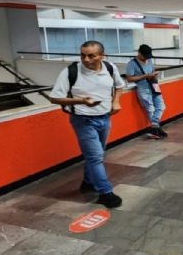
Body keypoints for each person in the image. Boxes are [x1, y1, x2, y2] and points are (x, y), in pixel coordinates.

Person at [49, 41, 125, 208]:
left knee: (97, 155)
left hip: (105, 117)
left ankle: (88, 182)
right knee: (96, 157)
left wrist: (116, 102)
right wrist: (81, 100)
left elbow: (119, 86)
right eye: (83, 55)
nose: (86, 59)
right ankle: (105, 193)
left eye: (91, 55)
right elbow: (54, 98)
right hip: (83, 120)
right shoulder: (70, 71)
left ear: (102, 56)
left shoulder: (110, 68)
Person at [125, 44, 167, 139]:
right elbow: (129, 79)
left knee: (161, 106)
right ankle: (156, 129)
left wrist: (153, 75)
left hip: (154, 86)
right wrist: (145, 76)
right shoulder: (132, 64)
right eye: (145, 56)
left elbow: (151, 71)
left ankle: (154, 127)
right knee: (150, 109)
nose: (146, 59)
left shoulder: (149, 60)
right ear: (139, 53)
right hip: (143, 88)